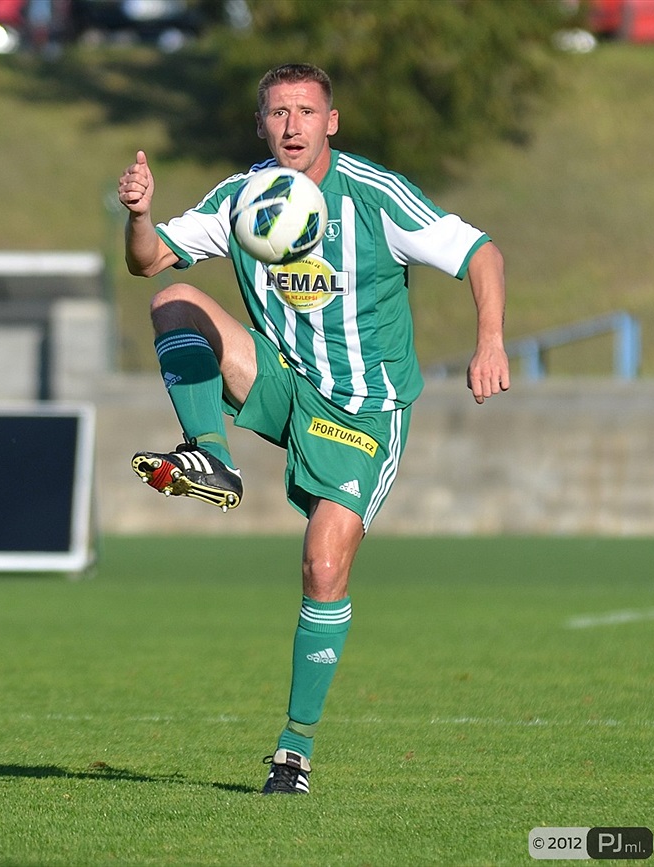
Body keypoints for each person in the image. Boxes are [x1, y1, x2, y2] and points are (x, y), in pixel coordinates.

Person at [118, 62, 509, 795]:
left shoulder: (375, 197)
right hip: (280, 381)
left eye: (305, 110)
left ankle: (293, 752)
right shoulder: (245, 195)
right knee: (174, 299)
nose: (291, 124)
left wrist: (490, 339)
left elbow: (481, 252)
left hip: (363, 410)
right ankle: (211, 456)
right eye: (277, 112)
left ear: (332, 121)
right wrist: (139, 215)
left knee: (323, 566)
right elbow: (148, 263)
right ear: (260, 123)